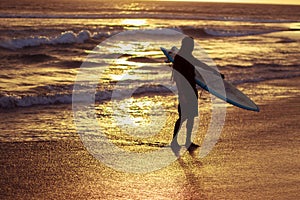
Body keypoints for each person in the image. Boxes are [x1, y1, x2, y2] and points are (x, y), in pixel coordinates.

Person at [171, 37, 200, 154]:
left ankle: (188, 141)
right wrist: (182, 95)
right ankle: (174, 141)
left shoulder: (189, 56)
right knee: (183, 117)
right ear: (186, 45)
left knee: (191, 117)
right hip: (185, 92)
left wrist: (216, 73)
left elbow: (200, 64)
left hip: (192, 90)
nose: (193, 47)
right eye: (191, 45)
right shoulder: (179, 58)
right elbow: (178, 78)